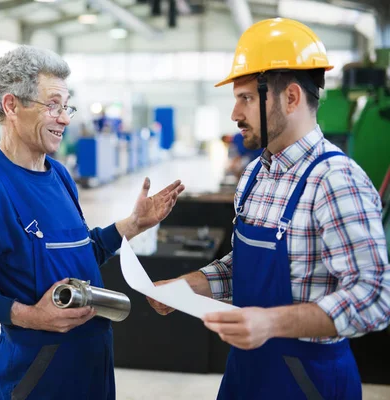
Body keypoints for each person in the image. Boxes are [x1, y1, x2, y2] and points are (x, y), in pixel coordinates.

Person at [147, 18, 390, 399]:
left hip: (310, 380)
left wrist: (272, 323)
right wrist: (187, 287)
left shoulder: (335, 180)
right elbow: (244, 263)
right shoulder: (256, 174)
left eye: (244, 98)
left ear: (291, 98)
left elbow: (374, 296)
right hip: (247, 371)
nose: (234, 113)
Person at [0, 45, 184, 400]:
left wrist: (132, 225)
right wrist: (30, 316)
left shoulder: (59, 175)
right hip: (39, 377)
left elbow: (76, 255)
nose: (64, 118)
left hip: (93, 367)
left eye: (66, 107)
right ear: (11, 106)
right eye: (53, 106)